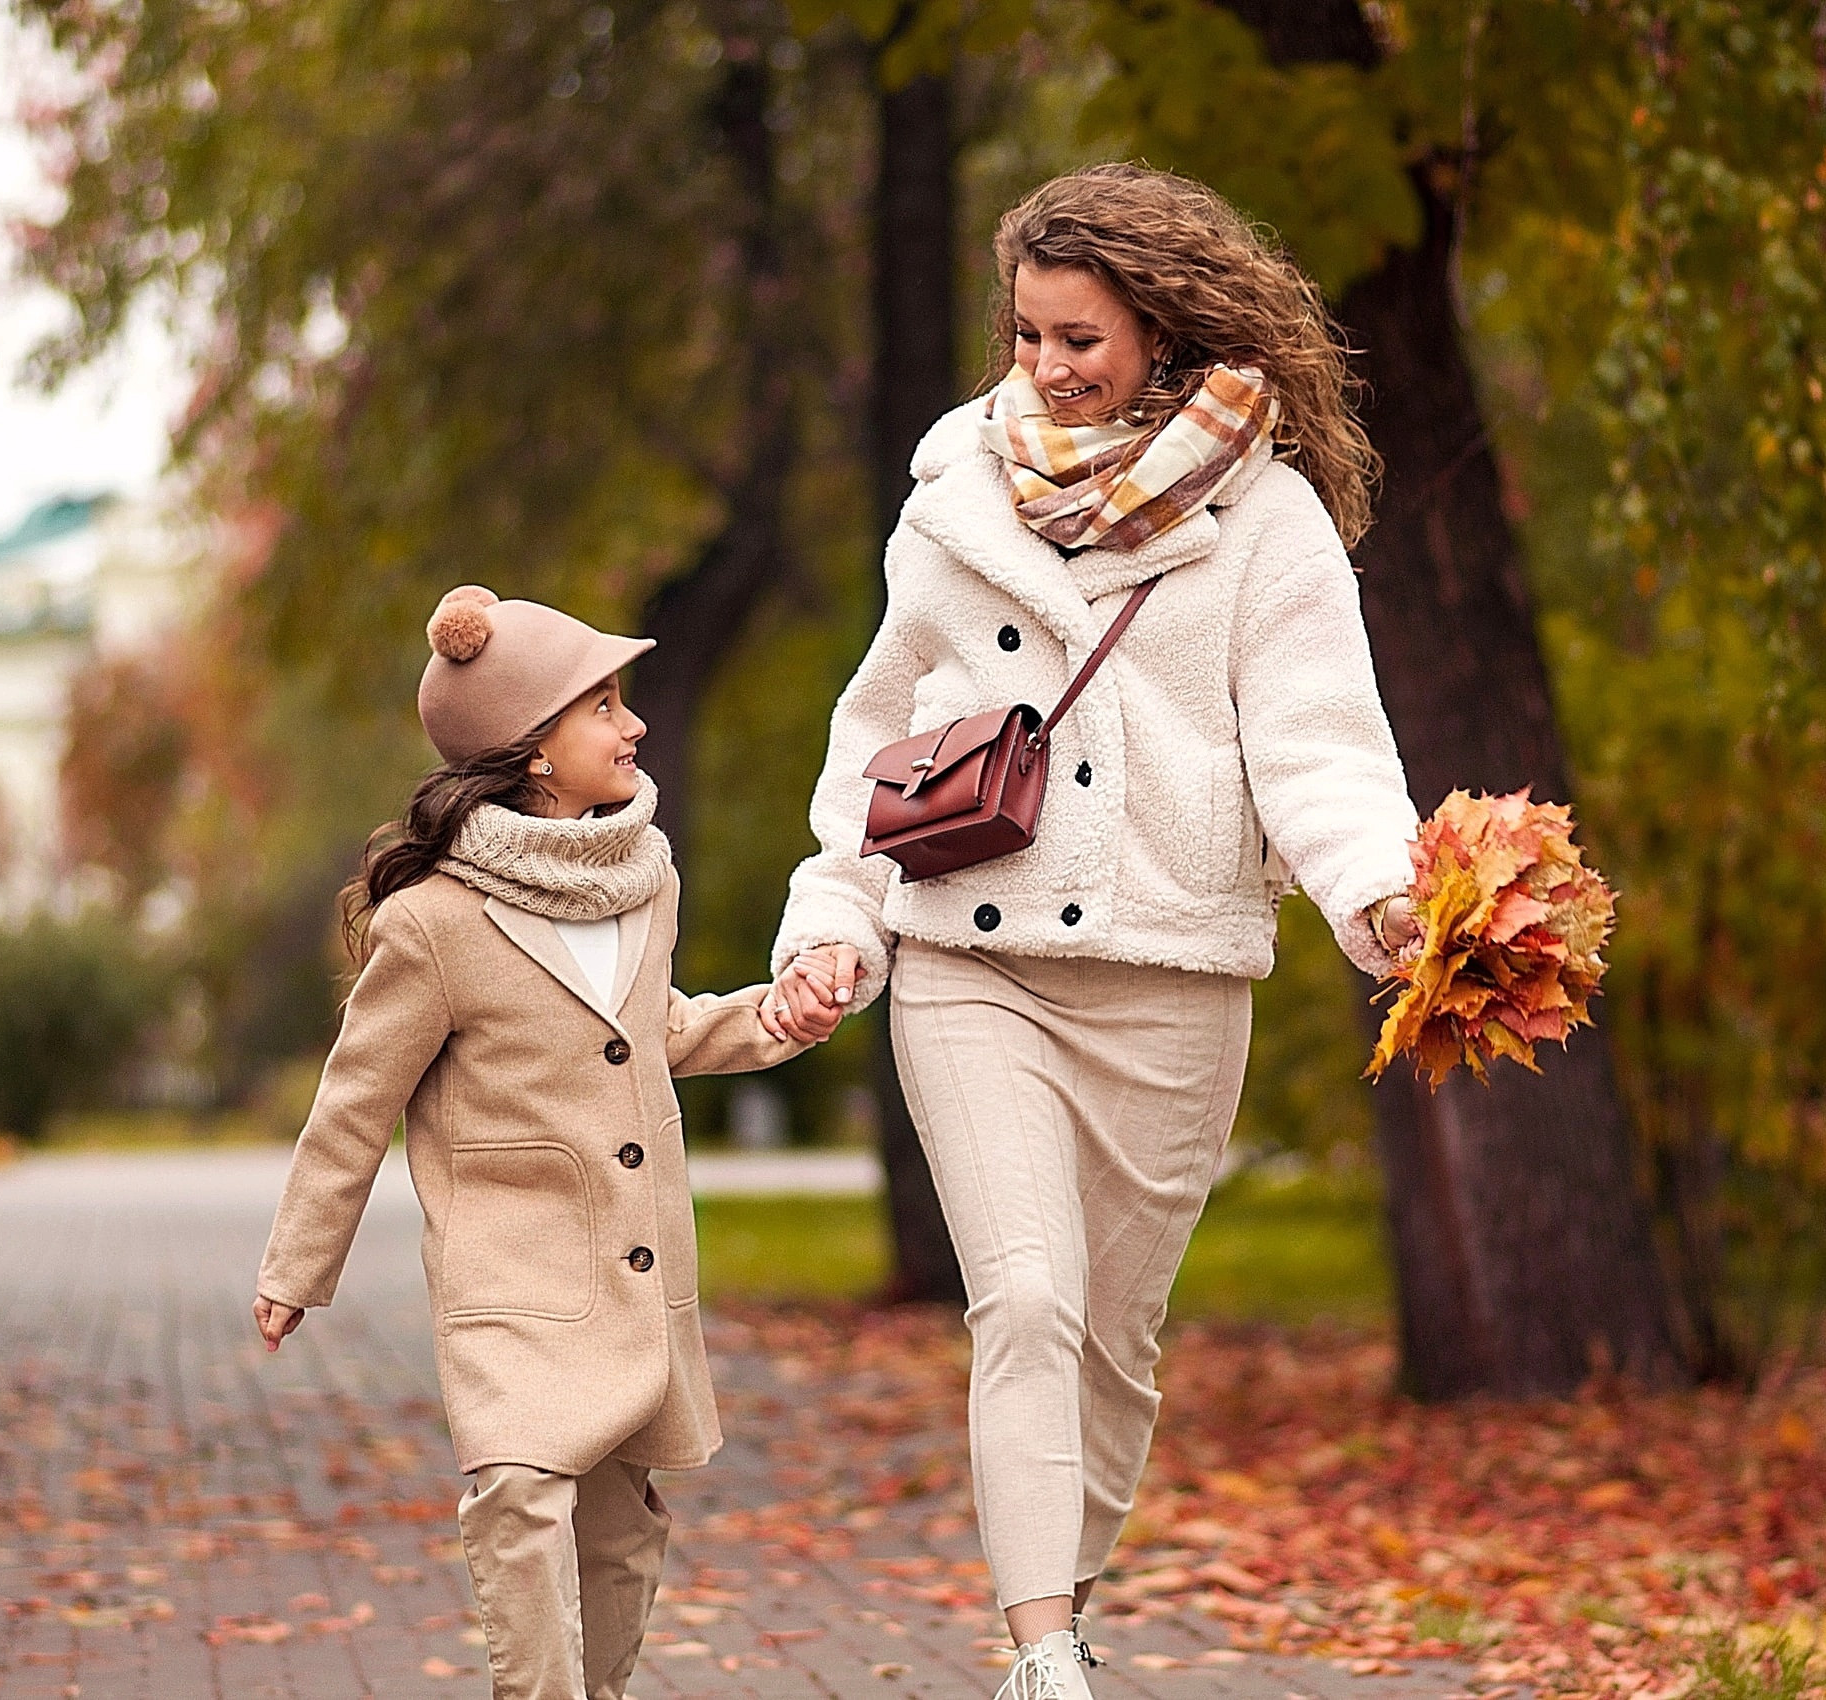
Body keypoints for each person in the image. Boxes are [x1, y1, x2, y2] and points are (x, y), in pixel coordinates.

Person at [764, 164, 1422, 1700]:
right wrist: (836, 916)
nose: (1050, 369)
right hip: (972, 960)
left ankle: (1066, 1600)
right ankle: (1040, 1652)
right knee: (1027, 1302)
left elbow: (1319, 750)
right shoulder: (953, 504)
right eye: (1028, 336)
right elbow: (879, 737)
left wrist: (1382, 896)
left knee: (1114, 1344)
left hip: (1169, 976)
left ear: (1165, 330)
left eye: (1081, 340)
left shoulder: (1266, 520)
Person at [252, 585, 840, 1700]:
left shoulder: (645, 879)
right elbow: (354, 1103)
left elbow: (651, 1031)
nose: (634, 724)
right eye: (603, 705)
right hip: (511, 1270)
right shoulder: (434, 921)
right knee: (519, 1490)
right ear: (532, 750)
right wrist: (297, 1266)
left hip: (630, 1263)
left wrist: (776, 1016)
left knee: (621, 1521)